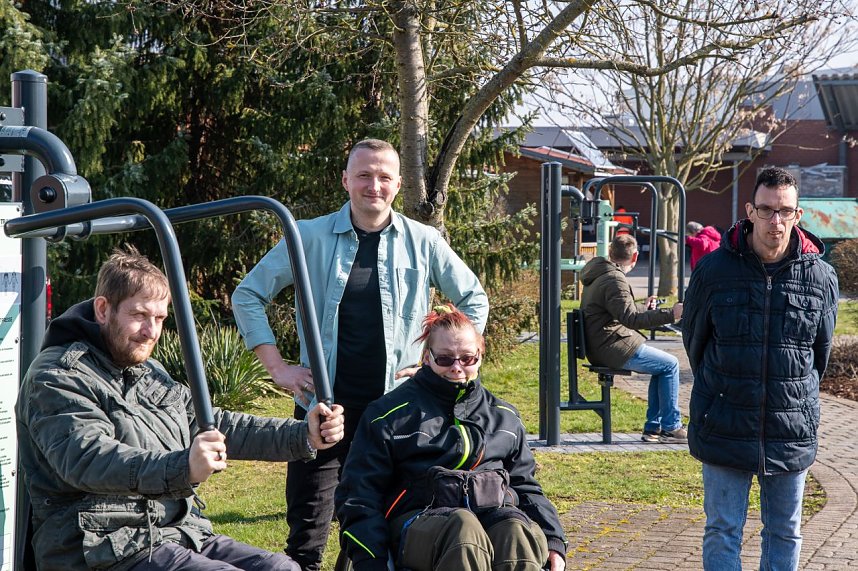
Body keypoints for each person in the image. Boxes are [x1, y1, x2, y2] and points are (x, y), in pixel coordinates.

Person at [232, 138, 489, 570]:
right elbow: (248, 294)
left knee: (385, 528)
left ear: (398, 184)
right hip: (324, 410)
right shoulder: (306, 237)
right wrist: (277, 367)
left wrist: (439, 360)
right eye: (365, 175)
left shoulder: (423, 240)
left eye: (384, 176)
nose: (374, 185)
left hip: (397, 414)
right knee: (307, 535)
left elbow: (474, 299)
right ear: (346, 179)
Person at [16, 245, 346, 571]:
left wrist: (304, 434)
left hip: (172, 532)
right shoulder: (57, 376)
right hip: (98, 546)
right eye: (139, 315)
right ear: (103, 310)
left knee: (281, 568)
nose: (151, 332)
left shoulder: (147, 372)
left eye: (159, 318)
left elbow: (212, 423)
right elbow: (88, 458)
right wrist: (184, 467)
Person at [682, 166, 839, 570]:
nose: (776, 220)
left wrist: (793, 395)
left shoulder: (820, 277)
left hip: (790, 427)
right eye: (767, 210)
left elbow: (818, 353)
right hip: (725, 420)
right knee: (722, 529)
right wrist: (721, 391)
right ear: (750, 211)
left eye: (785, 211)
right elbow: (695, 343)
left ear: (798, 215)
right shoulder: (714, 271)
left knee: (785, 530)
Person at [336, 304, 567, 571]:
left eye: (467, 358)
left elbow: (525, 486)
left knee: (515, 530)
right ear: (427, 357)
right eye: (445, 359)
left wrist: (554, 540)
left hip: (493, 518)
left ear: (480, 356)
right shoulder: (388, 415)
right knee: (464, 529)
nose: (457, 368)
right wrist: (371, 559)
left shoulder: (505, 417)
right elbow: (358, 495)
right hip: (417, 524)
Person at [579, 234, 686, 443]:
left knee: (662, 367)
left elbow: (622, 310)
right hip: (611, 347)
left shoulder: (601, 274)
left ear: (610, 252)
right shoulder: (614, 279)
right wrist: (671, 314)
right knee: (671, 364)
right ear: (635, 256)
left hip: (602, 345)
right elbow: (631, 319)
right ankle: (671, 427)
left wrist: (645, 308)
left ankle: (654, 428)